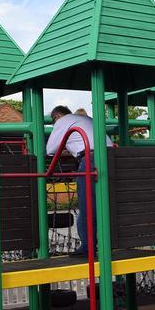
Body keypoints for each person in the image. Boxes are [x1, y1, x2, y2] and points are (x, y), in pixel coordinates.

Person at [47, 105, 113, 255]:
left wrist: (65, 147)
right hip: (112, 156)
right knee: (108, 201)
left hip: (91, 159)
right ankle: (109, 242)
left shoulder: (62, 121)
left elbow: (50, 149)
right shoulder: (87, 119)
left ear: (57, 117)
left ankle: (88, 247)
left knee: (87, 203)